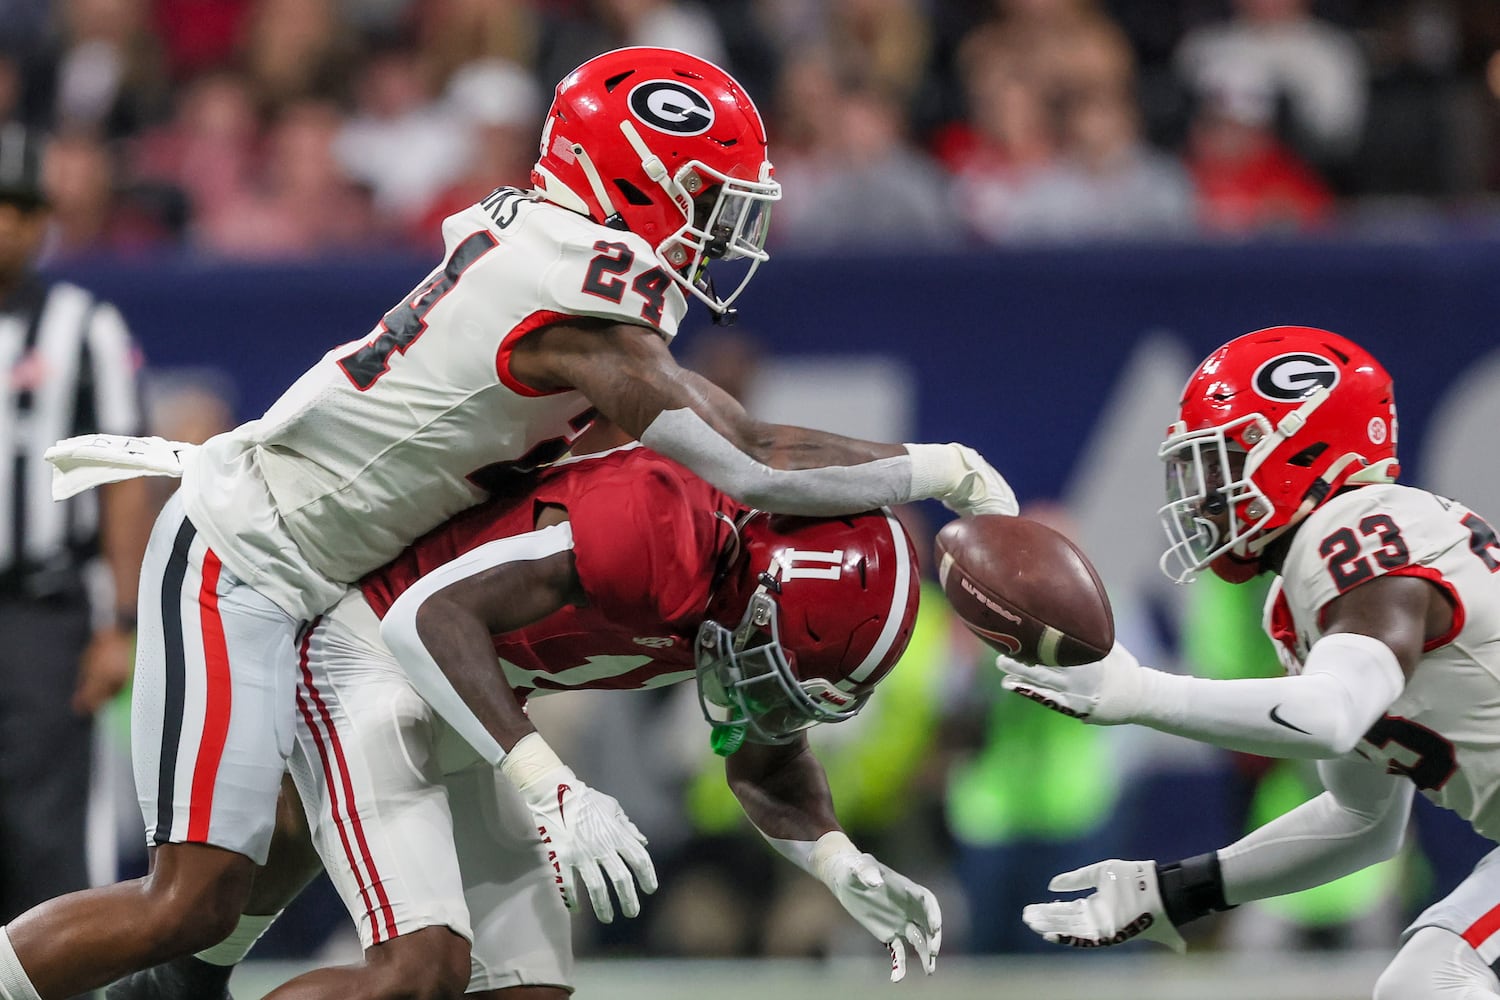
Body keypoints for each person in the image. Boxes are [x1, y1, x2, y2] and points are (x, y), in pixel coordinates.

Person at [6, 46, 1010, 1000]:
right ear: (633, 181)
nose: (722, 230)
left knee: (478, 971)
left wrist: (835, 855)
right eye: (707, 199)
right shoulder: (596, 347)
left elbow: (765, 733)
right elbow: (747, 454)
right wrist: (947, 470)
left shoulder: (580, 284)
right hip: (256, 554)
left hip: (361, 591)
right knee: (196, 899)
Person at [130, 437, 943, 998]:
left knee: (528, 984)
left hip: (465, 690)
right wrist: (550, 785)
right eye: (778, 670)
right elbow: (427, 618)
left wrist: (839, 862)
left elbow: (765, 766)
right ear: (763, 587)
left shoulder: (757, 603)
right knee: (419, 968)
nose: (768, 697)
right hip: (367, 643)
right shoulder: (664, 527)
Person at [993, 326, 1500, 997]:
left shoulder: (1353, 532)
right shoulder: (1315, 587)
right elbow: (1362, 820)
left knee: (1433, 976)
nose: (1202, 494)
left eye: (1222, 461)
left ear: (1304, 448)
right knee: (1428, 975)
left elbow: (1331, 716)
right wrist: (1175, 891)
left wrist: (1140, 693)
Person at [0, 125, 152, 948]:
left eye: (20, 209)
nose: (5, 226)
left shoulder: (81, 325)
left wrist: (120, 621)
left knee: (48, 830)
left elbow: (125, 476)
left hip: (43, 610)